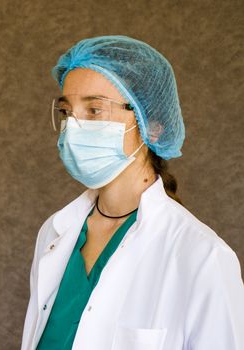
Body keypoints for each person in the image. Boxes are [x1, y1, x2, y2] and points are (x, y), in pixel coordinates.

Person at [20, 35, 244, 350]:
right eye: (67, 112)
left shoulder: (202, 255)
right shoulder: (55, 232)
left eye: (95, 110)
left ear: (152, 125)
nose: (73, 128)